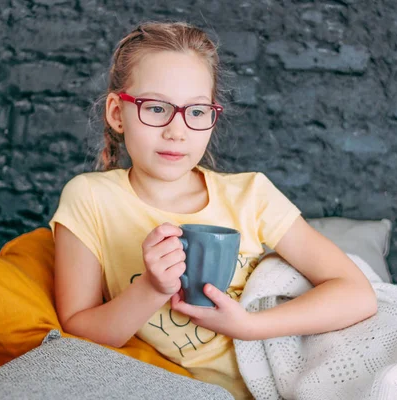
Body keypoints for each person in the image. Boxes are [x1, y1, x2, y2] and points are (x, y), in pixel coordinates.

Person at [49, 21, 377, 399]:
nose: (177, 130)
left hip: (299, 372)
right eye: (156, 108)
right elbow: (76, 332)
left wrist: (249, 326)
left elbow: (357, 293)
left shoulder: (251, 195)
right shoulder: (90, 199)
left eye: (197, 111)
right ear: (117, 113)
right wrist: (152, 289)